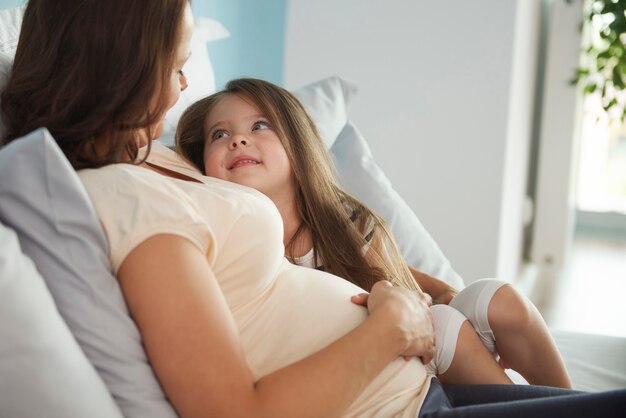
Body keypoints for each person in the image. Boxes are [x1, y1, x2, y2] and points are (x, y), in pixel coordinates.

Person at [2, 1, 624, 417]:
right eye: (179, 64)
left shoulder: (153, 162)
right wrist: (391, 331)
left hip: (421, 388)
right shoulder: (126, 201)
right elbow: (234, 412)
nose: (183, 87)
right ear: (129, 68)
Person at [175, 78, 571, 387]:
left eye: (260, 125)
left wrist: (444, 294)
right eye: (219, 135)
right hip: (393, 361)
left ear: (298, 146)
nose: (238, 139)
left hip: (422, 332)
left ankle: (572, 403)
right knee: (446, 328)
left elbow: (398, 272)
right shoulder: (231, 243)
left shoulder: (341, 222)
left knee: (495, 298)